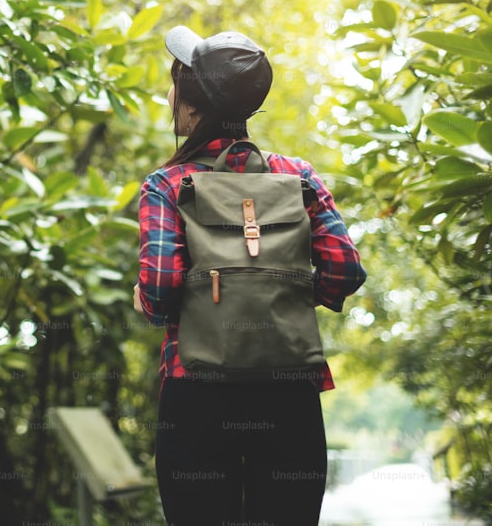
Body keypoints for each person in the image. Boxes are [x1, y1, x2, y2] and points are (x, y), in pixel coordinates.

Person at [135, 26, 367, 525]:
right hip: (289, 393)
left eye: (175, 83)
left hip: (195, 392)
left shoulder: (168, 184)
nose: (169, 94)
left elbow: (159, 288)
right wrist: (288, 291)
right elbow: (345, 270)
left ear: (192, 106)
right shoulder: (296, 175)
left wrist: (147, 300)